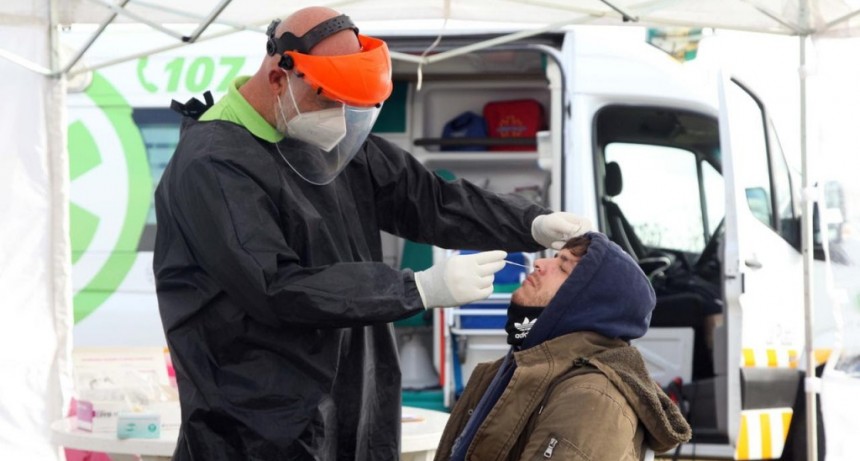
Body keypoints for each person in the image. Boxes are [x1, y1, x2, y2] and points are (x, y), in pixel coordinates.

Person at [152, 6, 591, 461]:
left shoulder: (322, 141)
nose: (340, 120)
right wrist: (417, 287)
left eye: (350, 106)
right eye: (330, 100)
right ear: (280, 77)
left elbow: (429, 200)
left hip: (352, 400)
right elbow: (275, 286)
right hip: (253, 428)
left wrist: (530, 223)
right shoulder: (214, 163)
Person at [434, 232, 692, 461]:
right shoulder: (512, 368)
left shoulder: (590, 398)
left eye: (563, 267)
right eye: (554, 257)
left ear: (586, 304)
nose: (539, 263)